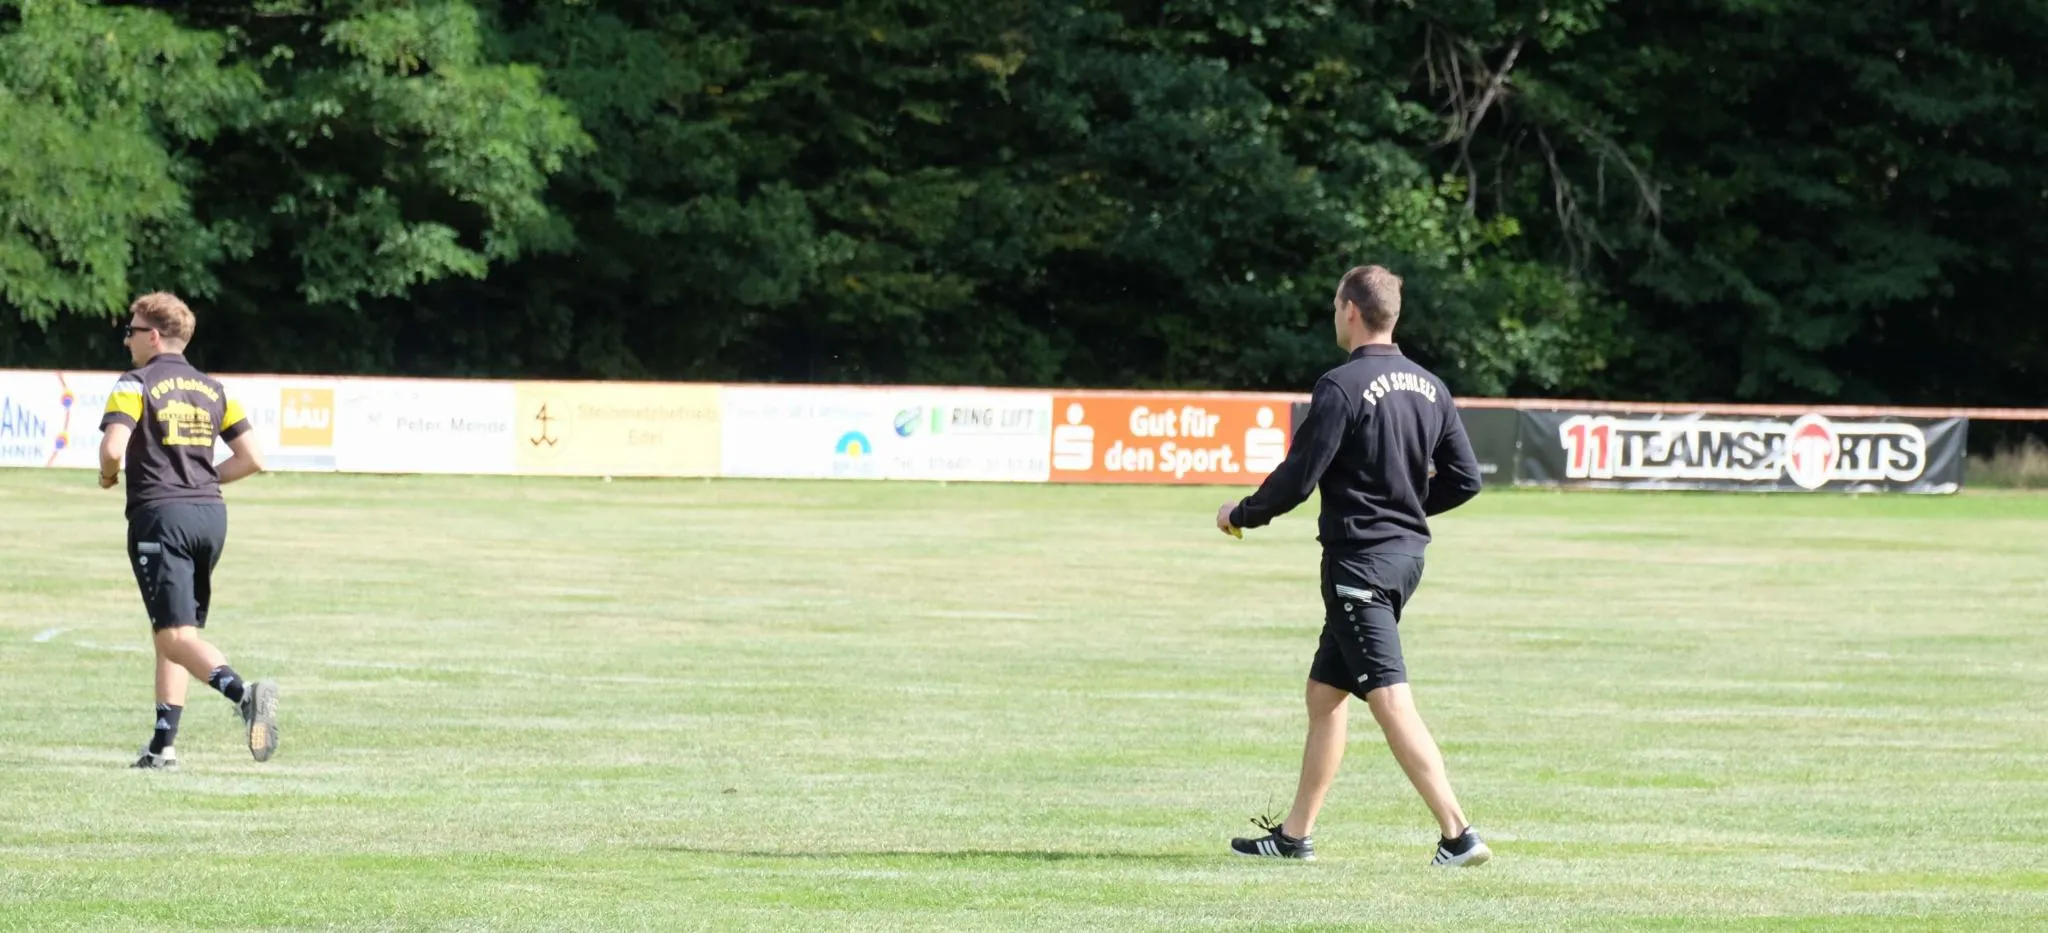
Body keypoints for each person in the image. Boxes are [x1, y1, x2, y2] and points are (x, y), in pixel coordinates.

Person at [1216, 265, 1489, 866]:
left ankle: (1458, 834)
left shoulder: (1340, 386)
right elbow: (1466, 479)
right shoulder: (1431, 387)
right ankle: (1293, 837)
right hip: (1403, 559)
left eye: (1335, 306)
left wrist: (1243, 513)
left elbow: (1299, 476)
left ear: (1350, 311)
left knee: (1390, 699)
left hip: (1359, 565)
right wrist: (1407, 508)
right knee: (1325, 694)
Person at [98, 292, 280, 770]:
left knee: (173, 637)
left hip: (162, 516)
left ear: (154, 336)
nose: (127, 340)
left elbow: (113, 449)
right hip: (210, 517)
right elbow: (254, 458)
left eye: (132, 331)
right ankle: (163, 747)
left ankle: (244, 694)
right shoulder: (215, 389)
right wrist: (200, 479)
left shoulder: (135, 383)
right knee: (176, 629)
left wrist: (107, 476)